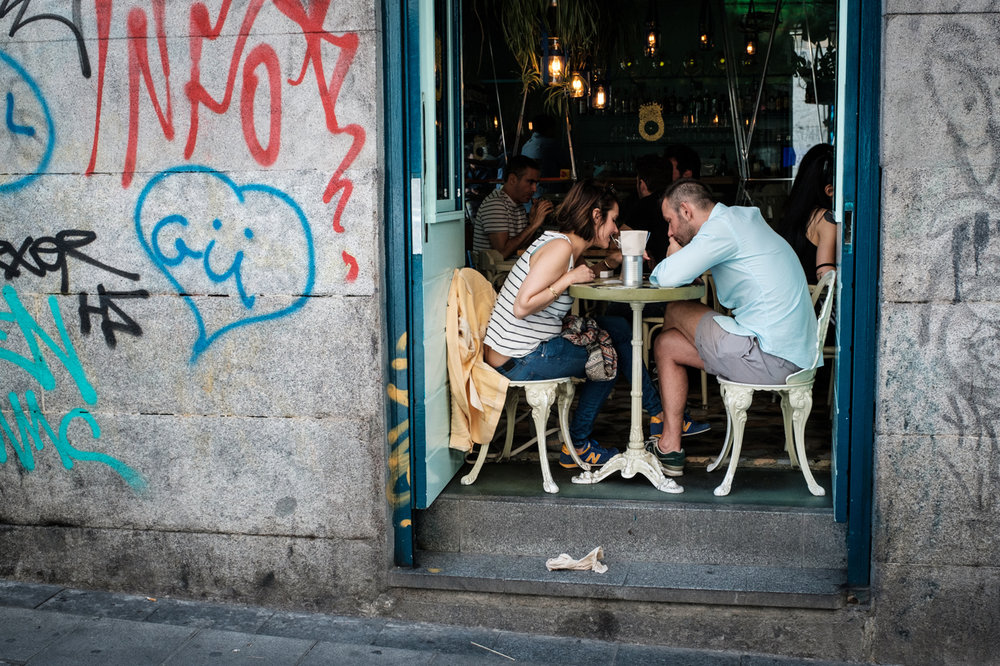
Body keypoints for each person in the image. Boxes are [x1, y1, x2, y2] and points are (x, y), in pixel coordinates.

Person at [483, 179, 666, 469]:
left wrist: (609, 263)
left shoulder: (562, 243)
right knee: (608, 358)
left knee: (616, 326)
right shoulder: (560, 249)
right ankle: (578, 445)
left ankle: (658, 415)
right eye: (614, 220)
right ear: (596, 216)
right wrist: (568, 280)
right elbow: (522, 306)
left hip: (518, 350)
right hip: (520, 358)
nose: (616, 229)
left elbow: (576, 276)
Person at [648, 179, 817, 476]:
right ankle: (670, 446)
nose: (670, 232)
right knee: (666, 344)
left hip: (769, 356)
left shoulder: (721, 228)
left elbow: (664, 278)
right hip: (788, 355)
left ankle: (656, 404)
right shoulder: (738, 219)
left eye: (669, 222)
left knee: (674, 308)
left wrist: (674, 255)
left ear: (686, 210)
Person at [472, 155, 554, 259]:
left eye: (536, 183)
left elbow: (523, 246)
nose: (534, 189)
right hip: (496, 273)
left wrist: (531, 222)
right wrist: (533, 226)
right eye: (530, 182)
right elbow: (501, 254)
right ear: (512, 179)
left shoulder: (518, 204)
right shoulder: (495, 204)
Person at [779, 143, 837, 284]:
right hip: (813, 302)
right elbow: (825, 274)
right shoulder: (826, 219)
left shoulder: (796, 212)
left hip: (791, 295)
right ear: (829, 190)